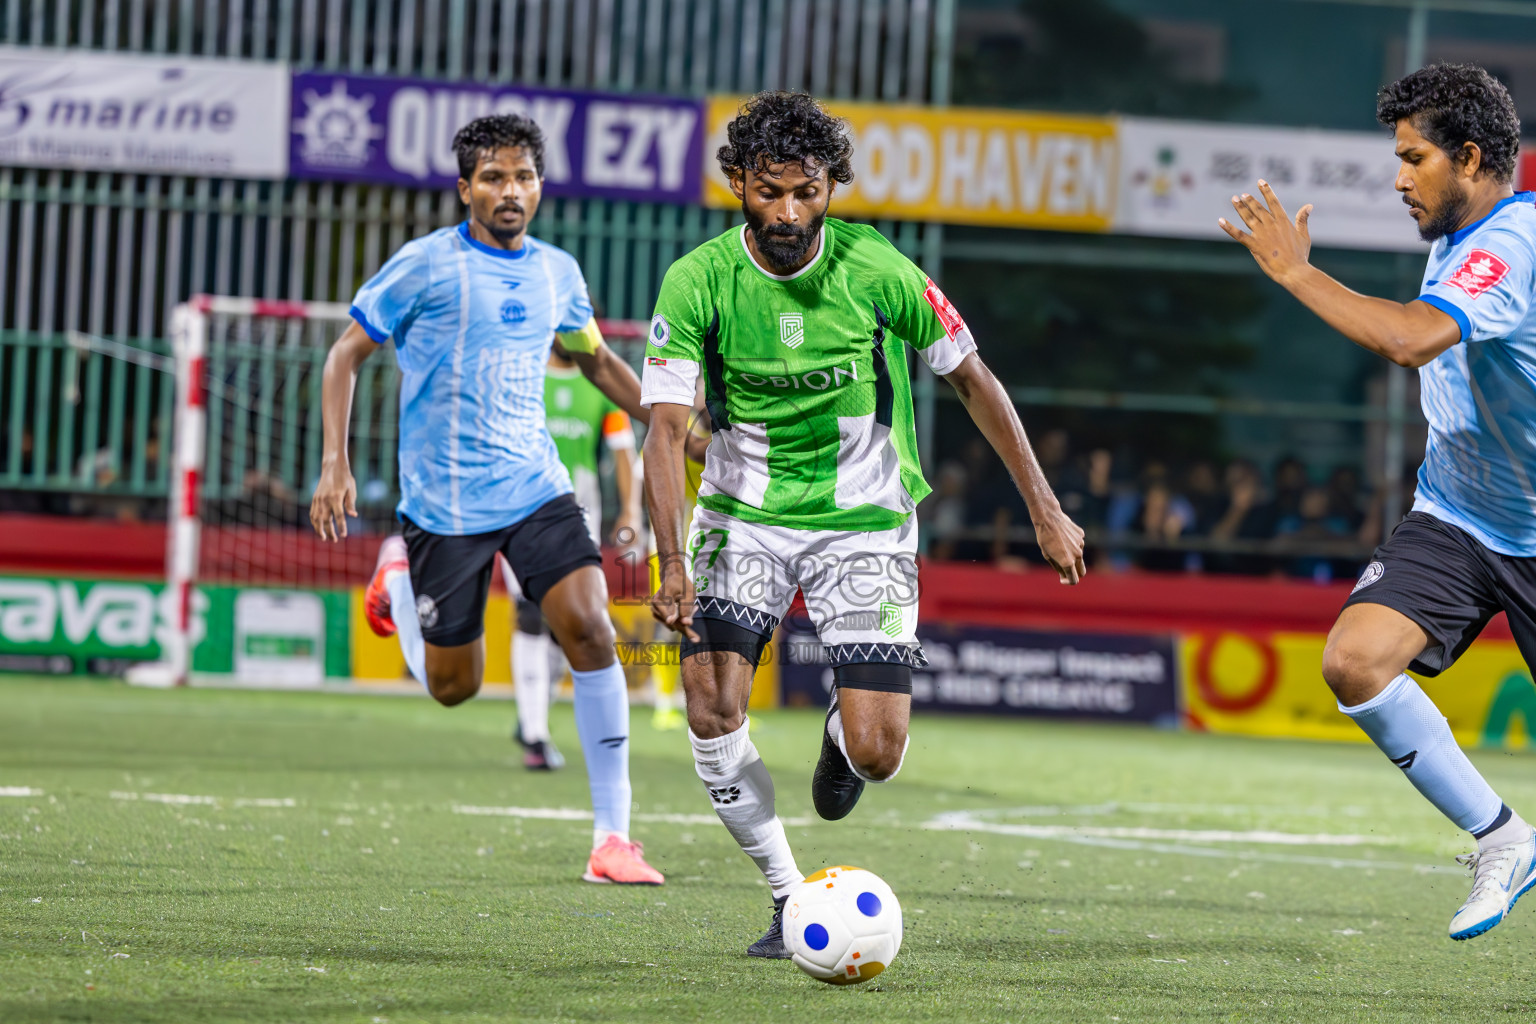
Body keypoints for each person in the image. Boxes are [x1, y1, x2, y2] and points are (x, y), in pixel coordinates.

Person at [640, 91, 1086, 958]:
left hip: (866, 519)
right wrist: (669, 560)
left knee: (881, 753)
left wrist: (1044, 505)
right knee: (709, 701)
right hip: (743, 514)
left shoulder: (878, 268)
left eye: (808, 191)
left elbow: (974, 381)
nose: (790, 213)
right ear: (737, 182)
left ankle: (844, 742)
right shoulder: (696, 280)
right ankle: (788, 894)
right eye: (769, 192)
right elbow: (662, 431)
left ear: (833, 185)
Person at [1220, 61, 1536, 940]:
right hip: (1460, 517)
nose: (1398, 177)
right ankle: (1504, 840)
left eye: (1413, 158)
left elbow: (1408, 339)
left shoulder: (1513, 246)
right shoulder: (1460, 234)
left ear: (1470, 157)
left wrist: (1294, 274)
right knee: (1355, 662)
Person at [309, 113, 664, 886]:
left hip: (537, 488)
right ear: (465, 186)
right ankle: (399, 580)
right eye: (495, 177)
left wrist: (671, 421)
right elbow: (346, 355)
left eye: (525, 176)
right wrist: (334, 464)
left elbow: (594, 360)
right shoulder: (423, 265)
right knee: (453, 688)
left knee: (593, 631)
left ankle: (614, 840)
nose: (512, 191)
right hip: (444, 507)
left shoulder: (556, 272)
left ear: (540, 185)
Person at [503, 341, 641, 770]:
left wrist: (632, 509)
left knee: (569, 626)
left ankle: (532, 715)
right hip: (521, 512)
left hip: (577, 520)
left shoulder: (599, 384)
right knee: (528, 613)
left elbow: (624, 452)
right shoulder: (522, 376)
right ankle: (535, 734)